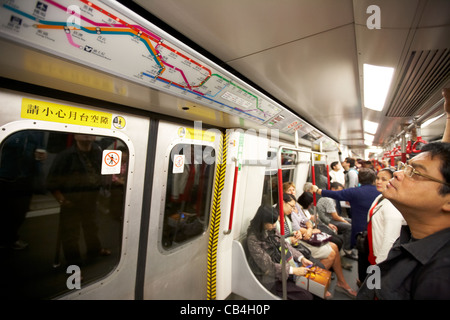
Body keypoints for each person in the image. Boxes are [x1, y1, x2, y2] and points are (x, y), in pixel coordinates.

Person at [358, 141, 450, 299]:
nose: (397, 173)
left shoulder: (439, 278)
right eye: (406, 167)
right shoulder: (410, 237)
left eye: (415, 173)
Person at [47, 134, 110, 267]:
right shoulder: (66, 155)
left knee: (92, 227)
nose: (87, 136)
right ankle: (74, 265)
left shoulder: (98, 153)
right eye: (83, 132)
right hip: (71, 201)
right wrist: (62, 200)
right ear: (75, 135)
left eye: (90, 133)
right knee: (70, 234)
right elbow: (51, 181)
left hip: (91, 198)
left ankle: (95, 251)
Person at [277, 193, 357, 298]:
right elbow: (279, 241)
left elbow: (304, 223)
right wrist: (296, 236)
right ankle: (319, 284)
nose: (293, 208)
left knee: (335, 245)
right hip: (292, 246)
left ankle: (329, 282)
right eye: (291, 206)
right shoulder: (276, 219)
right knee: (331, 252)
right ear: (283, 203)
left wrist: (298, 234)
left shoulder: (287, 217)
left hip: (296, 242)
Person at [312, 168, 380, 284]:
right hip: (378, 228)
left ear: (359, 179)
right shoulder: (381, 192)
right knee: (377, 256)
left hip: (361, 231)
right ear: (374, 179)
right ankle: (376, 282)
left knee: (363, 257)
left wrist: (317, 190)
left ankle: (363, 281)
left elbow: (335, 194)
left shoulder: (354, 192)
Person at [246, 205, 314, 300]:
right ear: (263, 222)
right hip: (271, 277)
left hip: (284, 265)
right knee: (306, 296)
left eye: (275, 222)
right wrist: (293, 270)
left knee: (312, 286)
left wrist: (301, 258)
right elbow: (268, 266)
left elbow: (285, 245)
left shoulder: (272, 230)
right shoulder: (253, 239)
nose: (275, 225)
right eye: (272, 223)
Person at [0, 131, 46, 250]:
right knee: (4, 209)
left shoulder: (38, 131)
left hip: (26, 176)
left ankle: (11, 238)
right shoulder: (13, 128)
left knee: (20, 211)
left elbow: (40, 147)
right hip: (5, 175)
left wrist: (41, 154)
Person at [367, 168, 406, 265]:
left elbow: (390, 239)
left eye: (384, 179)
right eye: (377, 178)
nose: (379, 182)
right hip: (374, 248)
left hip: (382, 255)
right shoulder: (380, 197)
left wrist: (381, 263)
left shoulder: (393, 206)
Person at [316, 182, 352, 258]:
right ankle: (347, 249)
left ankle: (350, 243)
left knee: (350, 220)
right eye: (339, 191)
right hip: (327, 220)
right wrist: (344, 221)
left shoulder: (333, 198)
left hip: (331, 218)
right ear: (333, 189)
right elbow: (335, 217)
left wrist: (344, 220)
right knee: (349, 226)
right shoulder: (328, 199)